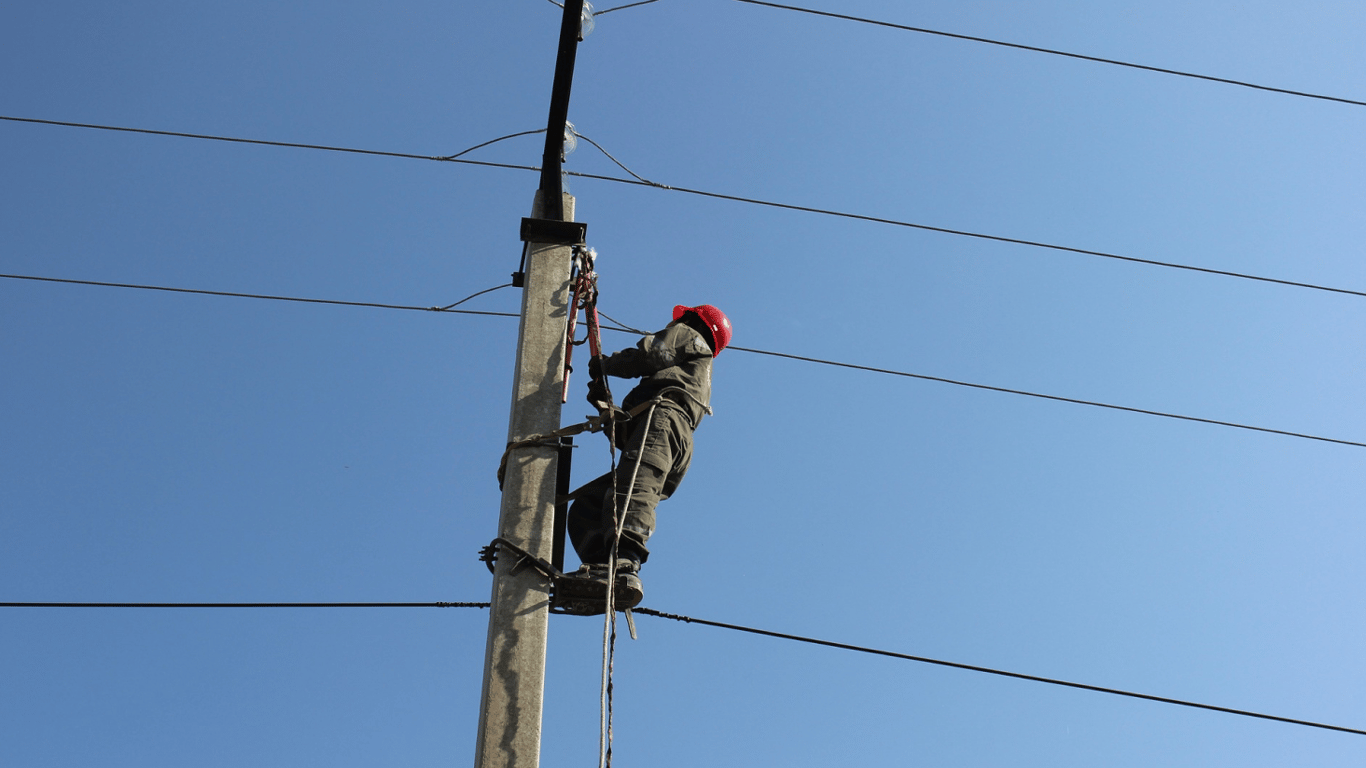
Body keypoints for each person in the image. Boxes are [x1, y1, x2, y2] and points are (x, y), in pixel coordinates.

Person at [559, 304, 732, 611]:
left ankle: (624, 565)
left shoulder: (690, 336)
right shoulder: (680, 378)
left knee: (632, 491)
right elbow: (625, 437)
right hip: (668, 434)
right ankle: (601, 570)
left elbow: (650, 355)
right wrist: (603, 404)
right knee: (592, 503)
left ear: (692, 320)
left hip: (665, 422)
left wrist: (605, 364)